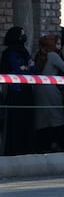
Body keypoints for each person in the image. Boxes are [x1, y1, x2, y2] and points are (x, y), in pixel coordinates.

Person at [0, 26, 37, 155]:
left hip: (26, 91)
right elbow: (16, 70)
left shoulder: (24, 51)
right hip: (15, 92)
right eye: (21, 34)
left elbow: (34, 68)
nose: (24, 36)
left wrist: (25, 68)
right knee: (15, 123)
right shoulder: (9, 53)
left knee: (26, 121)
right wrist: (27, 68)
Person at [33, 34, 64, 153]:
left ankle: (42, 146)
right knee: (57, 118)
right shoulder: (54, 56)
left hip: (38, 90)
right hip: (51, 90)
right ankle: (54, 144)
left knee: (42, 119)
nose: (60, 46)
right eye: (58, 43)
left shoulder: (38, 55)